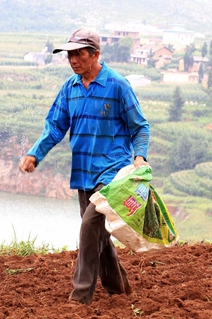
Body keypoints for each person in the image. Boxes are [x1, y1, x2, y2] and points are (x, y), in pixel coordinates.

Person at [19, 28, 150, 305]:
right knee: (98, 234)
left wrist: (140, 156)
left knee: (90, 227)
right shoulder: (70, 88)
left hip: (112, 173)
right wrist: (35, 154)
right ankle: (119, 289)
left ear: (95, 54)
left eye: (79, 53)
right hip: (83, 173)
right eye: (70, 54)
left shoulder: (117, 85)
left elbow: (140, 127)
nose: (73, 60)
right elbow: (55, 127)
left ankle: (80, 298)